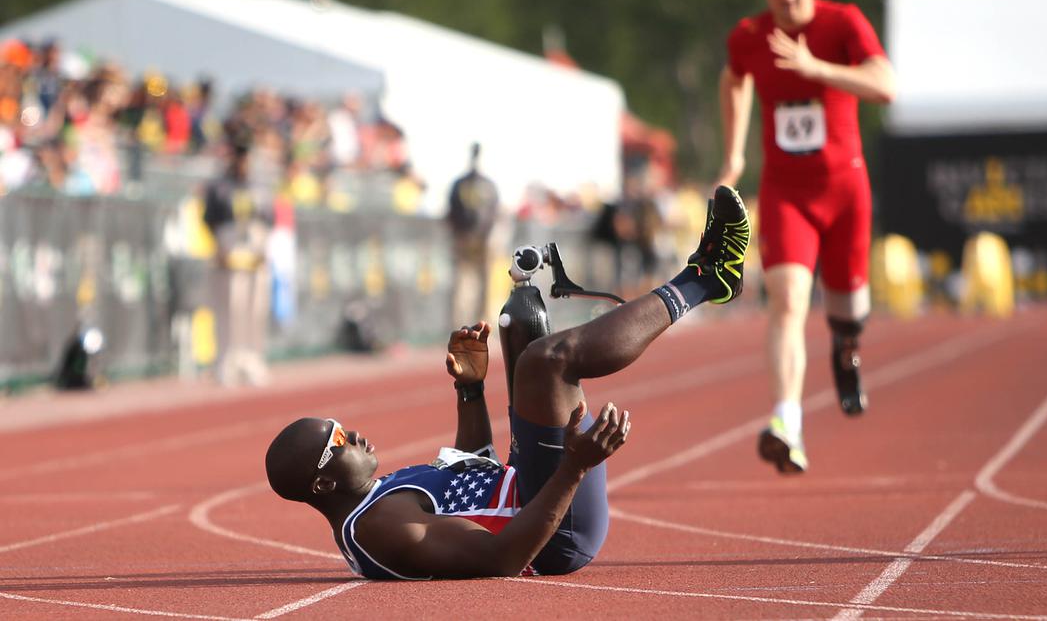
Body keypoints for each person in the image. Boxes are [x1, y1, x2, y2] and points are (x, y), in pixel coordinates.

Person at [264, 186, 750, 579]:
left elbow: (474, 469)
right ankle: (707, 277)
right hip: (553, 537)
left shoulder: (373, 499)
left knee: (521, 333)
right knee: (548, 362)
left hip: (526, 489)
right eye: (339, 441)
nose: (354, 434)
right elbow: (503, 558)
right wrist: (574, 468)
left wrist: (470, 390)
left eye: (342, 427)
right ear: (324, 482)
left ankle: (707, 276)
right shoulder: (380, 528)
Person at [714, 0, 897, 474]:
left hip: (845, 191)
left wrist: (817, 68)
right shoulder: (751, 35)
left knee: (848, 310)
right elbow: (733, 80)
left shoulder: (843, 23)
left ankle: (846, 347)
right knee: (788, 300)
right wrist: (733, 156)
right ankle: (786, 423)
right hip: (787, 193)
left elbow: (885, 84)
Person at [202, 129, 273, 387]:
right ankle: (226, 361)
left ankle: (252, 359)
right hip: (229, 254)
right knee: (230, 309)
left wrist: (263, 248)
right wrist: (219, 248)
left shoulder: (260, 186)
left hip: (255, 255)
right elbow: (210, 220)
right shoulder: (219, 187)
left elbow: (268, 220)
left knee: (255, 309)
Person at [446, 142, 500, 326]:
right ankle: (460, 323)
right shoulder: (461, 184)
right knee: (462, 284)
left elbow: (495, 212)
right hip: (465, 239)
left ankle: (482, 323)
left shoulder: (487, 185)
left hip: (483, 240)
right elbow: (452, 211)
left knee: (483, 285)